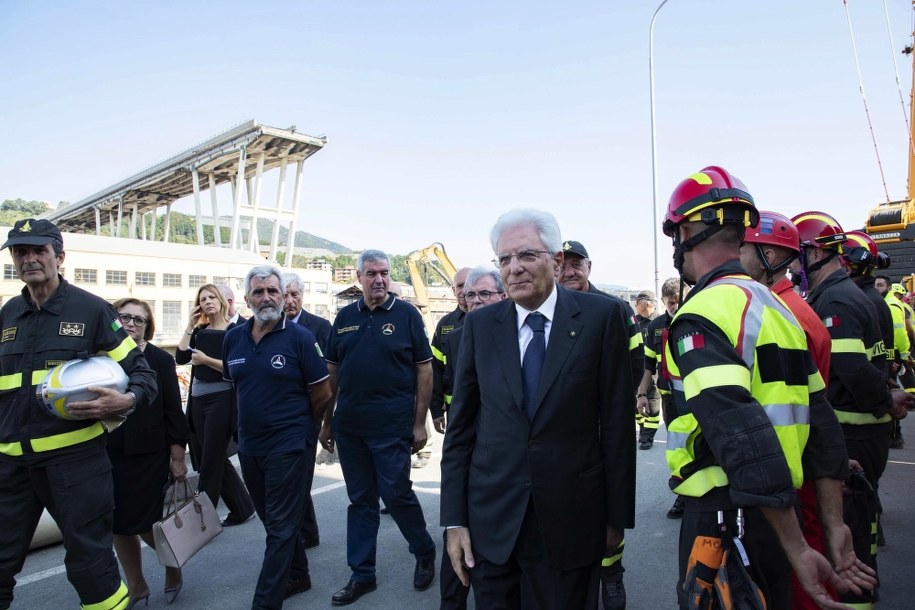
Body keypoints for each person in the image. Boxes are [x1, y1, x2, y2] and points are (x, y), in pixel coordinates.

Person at [663, 168, 871, 610]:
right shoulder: (775, 306)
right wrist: (833, 525)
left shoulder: (700, 313)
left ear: (683, 231)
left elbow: (741, 437)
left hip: (725, 517)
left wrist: (799, 547)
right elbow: (822, 422)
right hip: (781, 513)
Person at [441, 209, 637, 610]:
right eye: (505, 259)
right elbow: (461, 429)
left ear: (557, 261)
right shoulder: (479, 327)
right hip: (492, 524)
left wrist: (616, 518)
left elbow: (616, 427)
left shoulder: (602, 318)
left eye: (527, 255)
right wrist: (454, 520)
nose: (514, 269)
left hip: (572, 521)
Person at [0, 218, 157, 610]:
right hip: (12, 467)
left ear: (59, 256)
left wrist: (126, 401)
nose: (30, 259)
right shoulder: (8, 314)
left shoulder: (91, 310)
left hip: (75, 466)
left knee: (89, 566)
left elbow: (144, 374)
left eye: (39, 251)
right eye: (21, 252)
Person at [791, 211, 912, 605]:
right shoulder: (845, 292)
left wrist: (883, 400)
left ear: (814, 255)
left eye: (797, 254)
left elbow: (850, 367)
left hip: (854, 433)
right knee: (861, 524)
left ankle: (858, 598)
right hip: (864, 431)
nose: (793, 265)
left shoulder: (836, 300)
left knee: (851, 536)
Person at [740, 211, 853, 609]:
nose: (733, 256)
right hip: (803, 462)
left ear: (769, 254)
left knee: (801, 575)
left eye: (742, 247)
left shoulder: (781, 315)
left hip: (792, 470)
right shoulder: (790, 308)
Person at [320, 249, 437, 606]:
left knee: (397, 494)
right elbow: (332, 373)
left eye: (384, 272)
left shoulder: (406, 316)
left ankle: (424, 550)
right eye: (371, 273)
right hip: (351, 427)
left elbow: (424, 370)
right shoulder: (344, 317)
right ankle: (362, 574)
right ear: (359, 278)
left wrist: (420, 424)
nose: (379, 279)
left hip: (392, 426)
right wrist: (327, 422)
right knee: (361, 502)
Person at [223, 265, 331, 609]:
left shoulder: (300, 338)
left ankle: (264, 602)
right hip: (250, 446)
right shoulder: (233, 338)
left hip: (288, 444)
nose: (266, 297)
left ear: (284, 296)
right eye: (259, 292)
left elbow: (322, 393)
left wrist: (301, 427)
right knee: (272, 519)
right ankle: (298, 575)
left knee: (283, 526)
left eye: (273, 291)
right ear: (247, 299)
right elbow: (235, 386)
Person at [558, 238, 642, 610]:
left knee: (609, 509)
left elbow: (635, 362)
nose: (569, 271)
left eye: (577, 264)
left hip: (604, 426)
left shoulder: (614, 308)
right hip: (561, 431)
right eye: (563, 264)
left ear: (589, 267)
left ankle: (612, 574)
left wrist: (616, 407)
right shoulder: (545, 310)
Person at [110, 298, 190, 607]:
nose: (130, 324)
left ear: (148, 327)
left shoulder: (159, 359)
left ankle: (172, 566)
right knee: (118, 524)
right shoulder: (101, 358)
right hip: (108, 454)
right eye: (123, 318)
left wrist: (178, 458)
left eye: (138, 320)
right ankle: (137, 585)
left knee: (146, 524)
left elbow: (173, 410)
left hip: (149, 455)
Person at [437, 266, 507, 610]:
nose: (476, 300)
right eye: (470, 295)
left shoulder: (517, 337)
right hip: (469, 452)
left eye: (484, 294)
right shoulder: (454, 337)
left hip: (503, 463)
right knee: (455, 538)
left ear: (502, 296)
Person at [175, 284, 254, 526]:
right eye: (203, 299)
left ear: (221, 301)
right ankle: (243, 508)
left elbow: (238, 368)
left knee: (210, 459)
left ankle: (202, 519)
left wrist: (206, 360)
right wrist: (190, 323)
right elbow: (180, 358)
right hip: (198, 399)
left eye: (211, 297)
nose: (207, 302)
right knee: (212, 455)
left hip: (222, 400)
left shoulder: (236, 331)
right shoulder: (199, 331)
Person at [282, 272, 332, 550]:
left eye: (295, 295)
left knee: (300, 475)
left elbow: (331, 374)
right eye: (285, 295)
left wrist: (326, 420)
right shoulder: (270, 327)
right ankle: (306, 532)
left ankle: (304, 533)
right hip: (282, 413)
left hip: (310, 411)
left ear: (302, 296)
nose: (290, 301)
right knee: (294, 477)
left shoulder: (320, 326)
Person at [638, 277, 687, 519]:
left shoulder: (695, 320)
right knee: (677, 448)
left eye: (677, 302)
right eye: (669, 303)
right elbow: (648, 364)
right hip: (669, 397)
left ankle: (702, 494)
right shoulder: (654, 326)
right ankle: (683, 493)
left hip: (696, 396)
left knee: (699, 445)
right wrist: (641, 393)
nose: (673, 307)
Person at [429, 267, 471, 437]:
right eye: (460, 286)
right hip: (455, 409)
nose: (464, 290)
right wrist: (436, 410)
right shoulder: (445, 324)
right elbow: (435, 370)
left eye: (468, 284)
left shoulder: (495, 319)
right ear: (453, 290)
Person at [633, 290, 661, 450]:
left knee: (653, 403)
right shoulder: (633, 322)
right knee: (636, 403)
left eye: (647, 303)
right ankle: (643, 429)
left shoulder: (659, 321)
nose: (644, 306)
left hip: (654, 370)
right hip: (635, 370)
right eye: (640, 303)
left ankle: (647, 437)